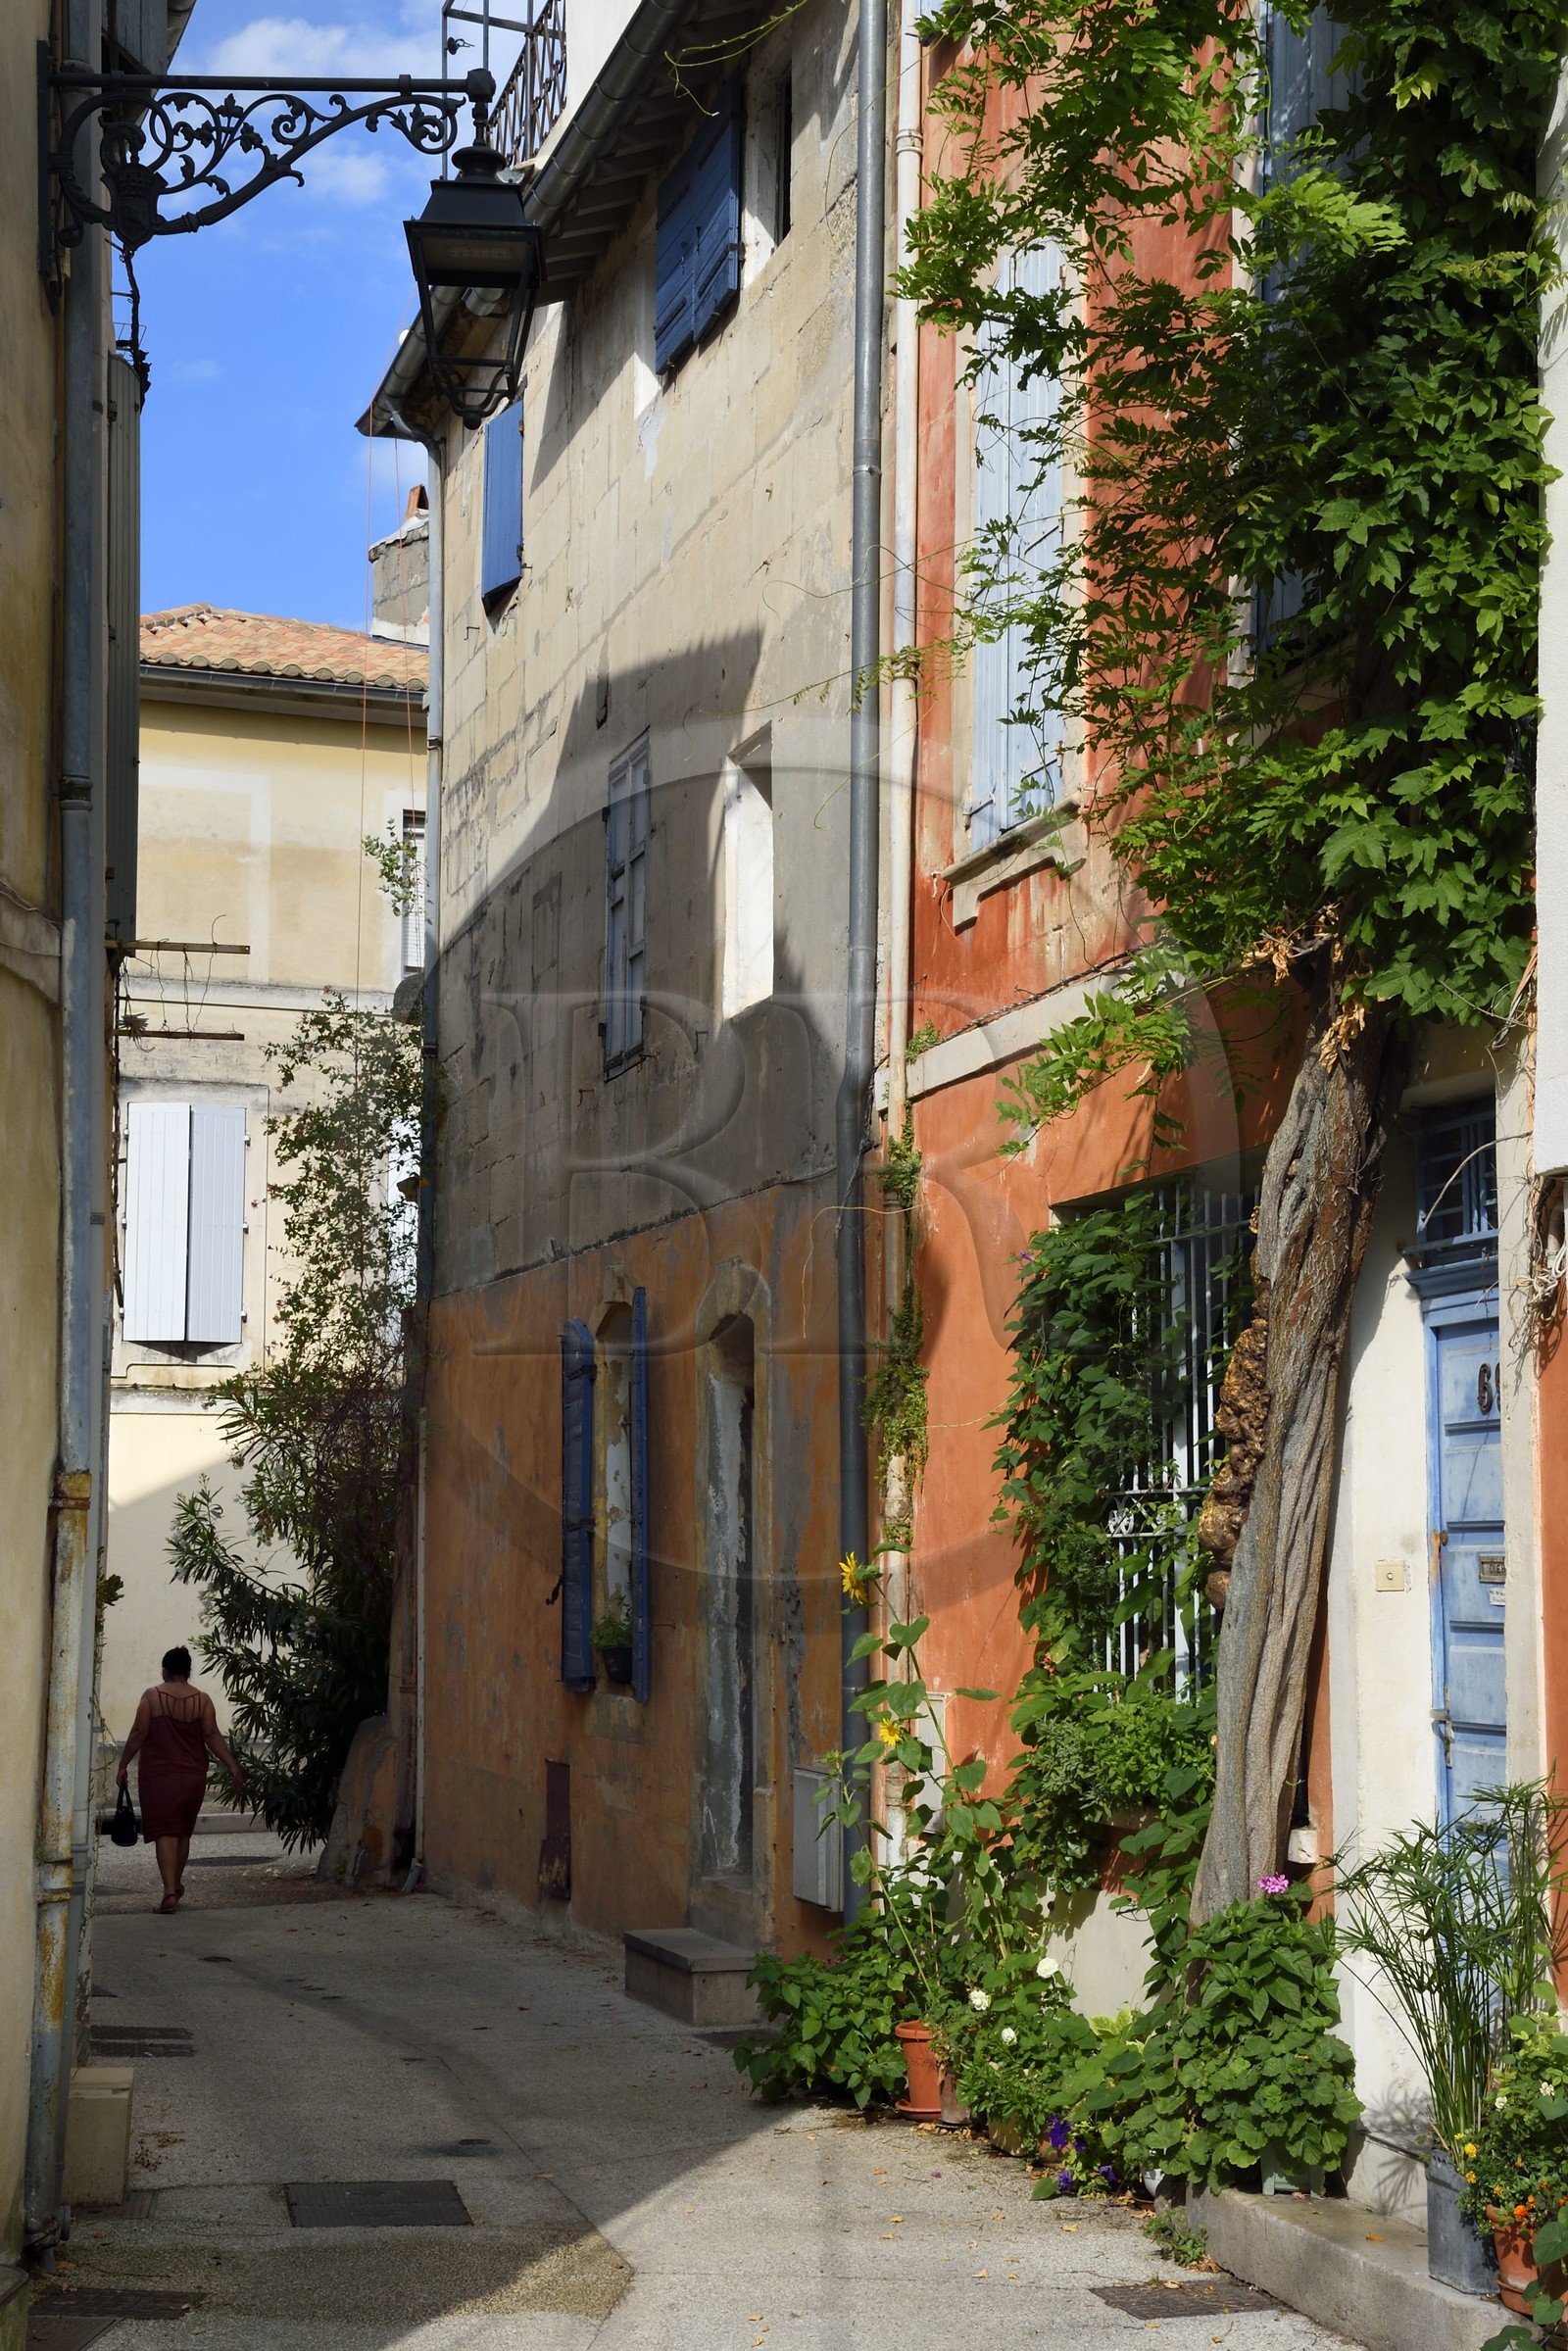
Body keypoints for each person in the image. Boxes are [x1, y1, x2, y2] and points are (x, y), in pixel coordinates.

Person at [117, 1646, 243, 1913]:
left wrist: (123, 1763)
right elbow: (212, 1736)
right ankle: (176, 1884)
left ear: (165, 1670)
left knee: (165, 1831)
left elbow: (139, 1733)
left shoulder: (152, 1697)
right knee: (183, 1831)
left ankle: (168, 1892)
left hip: (159, 1776)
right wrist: (232, 1765)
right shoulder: (203, 1700)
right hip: (192, 1775)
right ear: (189, 1671)